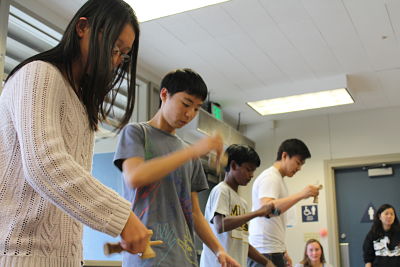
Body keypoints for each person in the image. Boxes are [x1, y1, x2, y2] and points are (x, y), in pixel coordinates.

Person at [0, 0, 150, 266]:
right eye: (113, 48)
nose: (116, 60)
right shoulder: (39, 74)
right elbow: (44, 165)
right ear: (83, 28)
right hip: (19, 255)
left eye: (123, 54)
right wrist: (123, 218)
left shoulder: (80, 102)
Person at [113, 68, 240, 267]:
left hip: (184, 257)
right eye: (186, 104)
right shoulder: (136, 133)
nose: (189, 114)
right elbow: (134, 176)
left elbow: (195, 213)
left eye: (197, 108)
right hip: (146, 257)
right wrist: (192, 152)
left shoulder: (190, 153)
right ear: (164, 94)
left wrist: (219, 250)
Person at [200, 144, 276, 267]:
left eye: (253, 171)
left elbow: (243, 243)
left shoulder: (243, 203)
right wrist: (258, 212)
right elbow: (220, 225)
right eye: (248, 169)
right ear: (234, 165)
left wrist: (266, 261)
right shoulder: (221, 191)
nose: (251, 175)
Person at [247, 139, 320, 267]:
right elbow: (266, 210)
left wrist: (283, 251)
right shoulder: (270, 177)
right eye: (298, 163)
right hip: (264, 251)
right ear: (284, 156)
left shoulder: (278, 179)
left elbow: (276, 221)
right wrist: (302, 194)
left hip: (273, 250)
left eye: (301, 164)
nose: (299, 168)